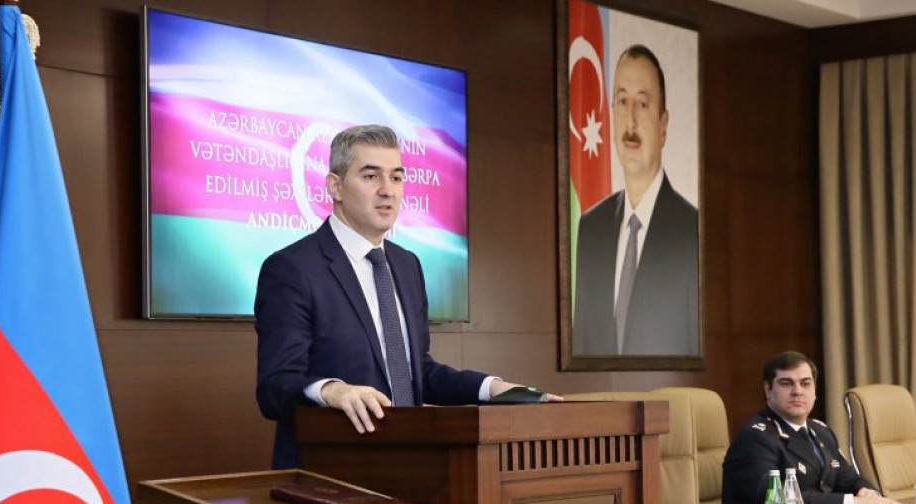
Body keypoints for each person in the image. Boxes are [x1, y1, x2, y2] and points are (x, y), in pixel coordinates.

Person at [255, 124, 557, 468]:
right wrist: (333, 391)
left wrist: (491, 389)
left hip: (410, 465)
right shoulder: (292, 268)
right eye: (371, 176)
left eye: (396, 177)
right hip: (329, 472)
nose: (387, 190)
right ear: (335, 187)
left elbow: (417, 373)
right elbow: (275, 388)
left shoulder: (406, 265)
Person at [572, 44, 699, 357]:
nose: (629, 123)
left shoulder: (692, 230)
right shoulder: (591, 227)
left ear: (663, 124)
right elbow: (583, 343)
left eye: (642, 104)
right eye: (622, 102)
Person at [720, 351, 905, 504]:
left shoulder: (821, 431)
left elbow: (846, 477)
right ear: (768, 390)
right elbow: (775, 498)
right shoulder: (754, 437)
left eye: (805, 383)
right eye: (786, 383)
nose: (797, 391)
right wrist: (852, 503)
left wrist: (867, 493)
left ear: (815, 390)